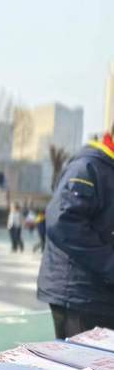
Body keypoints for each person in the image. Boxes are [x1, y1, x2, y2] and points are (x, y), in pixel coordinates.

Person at [37, 123, 114, 339]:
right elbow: (63, 222)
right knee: (83, 369)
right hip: (79, 295)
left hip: (100, 295)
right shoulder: (89, 167)